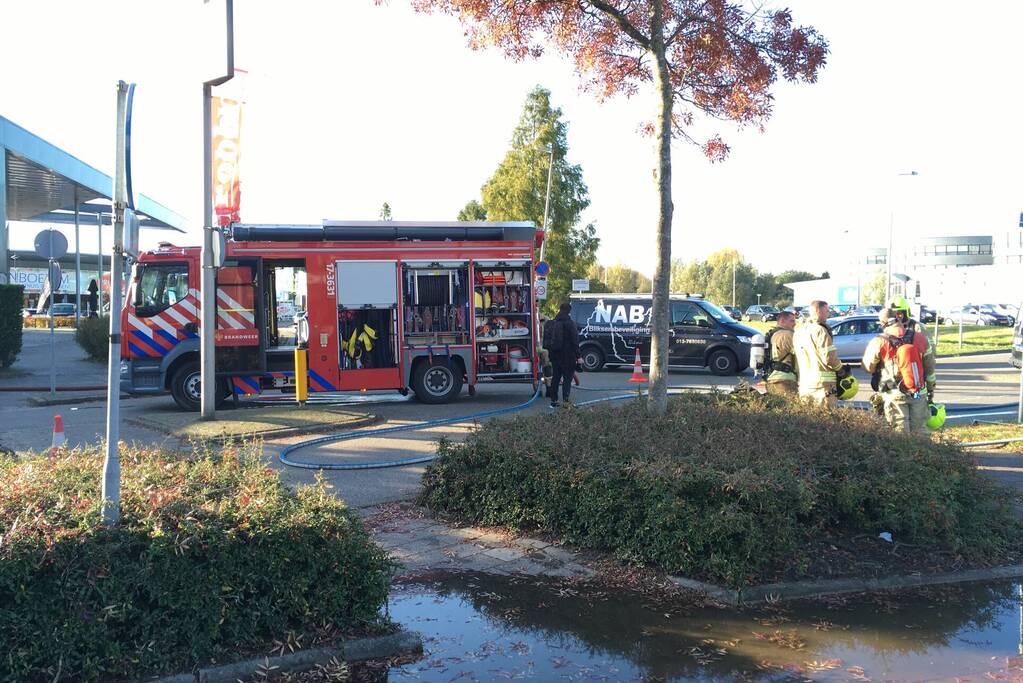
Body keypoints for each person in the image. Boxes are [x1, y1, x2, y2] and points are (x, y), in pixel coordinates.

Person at [862, 308, 930, 433]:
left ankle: (905, 452)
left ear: (882, 324)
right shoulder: (919, 337)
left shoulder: (879, 341)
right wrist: (930, 391)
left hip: (894, 393)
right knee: (920, 433)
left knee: (900, 434)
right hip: (918, 392)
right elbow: (929, 367)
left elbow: (868, 367)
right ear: (898, 318)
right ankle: (922, 452)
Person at [793, 300, 847, 408]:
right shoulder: (820, 330)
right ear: (818, 311)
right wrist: (841, 370)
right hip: (823, 386)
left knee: (808, 420)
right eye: (826, 311)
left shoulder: (799, 332)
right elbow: (829, 357)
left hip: (805, 384)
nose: (828, 314)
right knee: (827, 419)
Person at [887, 297, 937, 403]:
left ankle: (917, 405)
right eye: (894, 315)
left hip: (915, 382)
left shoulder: (918, 329)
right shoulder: (888, 331)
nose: (897, 318)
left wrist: (930, 389)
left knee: (916, 406)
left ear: (907, 313)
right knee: (900, 414)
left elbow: (929, 358)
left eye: (900, 314)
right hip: (896, 384)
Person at [543, 302, 580, 408]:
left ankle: (554, 401)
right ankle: (566, 401)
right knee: (567, 380)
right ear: (569, 311)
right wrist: (579, 356)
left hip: (555, 355)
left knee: (555, 378)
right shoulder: (570, 323)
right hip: (568, 356)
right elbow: (575, 341)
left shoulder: (552, 322)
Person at [764, 309, 798, 396]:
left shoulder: (772, 334)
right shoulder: (787, 334)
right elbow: (801, 354)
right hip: (785, 380)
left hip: (771, 377)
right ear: (782, 321)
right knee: (789, 407)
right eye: (792, 321)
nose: (795, 323)